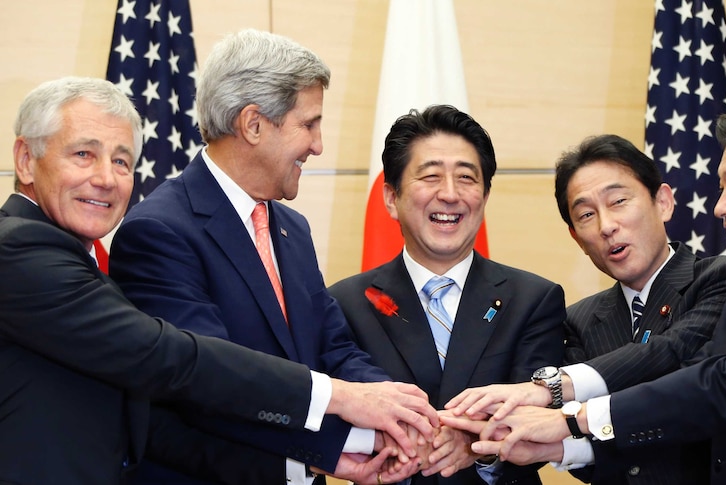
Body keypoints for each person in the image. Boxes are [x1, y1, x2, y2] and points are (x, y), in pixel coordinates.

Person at [0, 76, 438, 485]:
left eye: (121, 161)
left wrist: (312, 457)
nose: (105, 178)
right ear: (25, 159)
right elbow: (170, 356)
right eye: (83, 154)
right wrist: (338, 397)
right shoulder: (19, 250)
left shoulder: (71, 258)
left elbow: (150, 425)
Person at [442, 100, 726, 485]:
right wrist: (561, 445)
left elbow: (723, 385)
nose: (719, 208)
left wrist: (571, 415)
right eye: (586, 214)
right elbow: (697, 404)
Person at [108, 30, 427, 485]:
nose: (318, 145)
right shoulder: (158, 232)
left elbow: (332, 348)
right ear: (253, 124)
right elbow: (208, 385)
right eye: (309, 124)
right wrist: (352, 439)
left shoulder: (291, 229)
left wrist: (400, 410)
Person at [444, 134, 726, 484]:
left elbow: (672, 355)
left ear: (663, 202)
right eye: (587, 214)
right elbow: (583, 445)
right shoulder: (578, 320)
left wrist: (551, 389)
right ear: (576, 237)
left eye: (619, 201)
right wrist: (495, 439)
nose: (606, 226)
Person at [328, 105, 566, 485]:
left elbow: (544, 422)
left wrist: (474, 442)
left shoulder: (534, 299)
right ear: (391, 198)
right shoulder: (345, 303)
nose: (451, 194)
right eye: (431, 176)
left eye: (467, 178)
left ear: (485, 196)